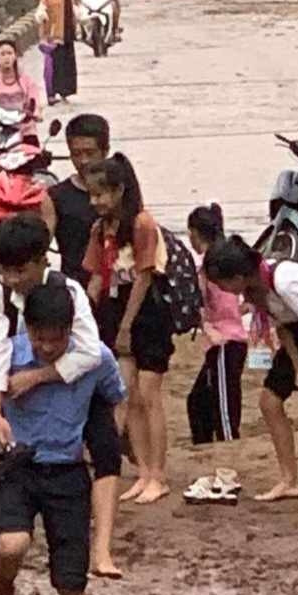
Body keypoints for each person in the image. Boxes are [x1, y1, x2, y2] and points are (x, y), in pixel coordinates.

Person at [0, 214, 124, 578]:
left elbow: (90, 353)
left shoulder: (70, 292)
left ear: (41, 261)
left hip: (71, 377)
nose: (13, 280)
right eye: (6, 271)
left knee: (106, 446)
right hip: (13, 373)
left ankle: (103, 551)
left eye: (20, 271)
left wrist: (38, 377)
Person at [0, 283, 126, 595]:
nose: (46, 348)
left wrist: (110, 446)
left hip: (68, 471)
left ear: (71, 329)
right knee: (11, 545)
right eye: (39, 338)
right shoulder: (6, 356)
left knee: (72, 583)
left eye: (55, 340)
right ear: (27, 328)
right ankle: (3, 588)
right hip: (18, 467)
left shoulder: (95, 357)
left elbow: (117, 398)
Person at [202, 236, 298, 519]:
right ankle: (289, 480)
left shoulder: (284, 281)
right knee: (269, 401)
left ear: (238, 276)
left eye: (222, 284)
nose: (222, 290)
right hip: (297, 331)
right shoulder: (257, 289)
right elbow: (281, 326)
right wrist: (296, 366)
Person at [84, 154, 174, 505]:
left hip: (146, 314)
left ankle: (160, 474)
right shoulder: (100, 230)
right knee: (129, 394)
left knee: (150, 395)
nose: (96, 202)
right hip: (114, 309)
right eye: (92, 196)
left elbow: (143, 277)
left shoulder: (141, 224)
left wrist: (125, 327)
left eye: (101, 195)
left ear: (119, 191)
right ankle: (144, 472)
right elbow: (95, 277)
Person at [185, 204, 247, 447]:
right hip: (228, 339)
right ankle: (204, 446)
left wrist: (207, 326)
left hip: (225, 342)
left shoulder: (209, 269)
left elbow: (196, 303)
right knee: (197, 400)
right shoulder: (225, 263)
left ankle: (228, 446)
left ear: (195, 234)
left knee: (224, 403)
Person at [40, 113, 110, 284]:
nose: (83, 161)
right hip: (76, 285)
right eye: (76, 154)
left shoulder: (120, 188)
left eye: (90, 153)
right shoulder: (56, 197)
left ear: (105, 151)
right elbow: (42, 243)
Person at [0, 37, 43, 136]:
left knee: (33, 151)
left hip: (25, 130)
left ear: (15, 56)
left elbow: (35, 100)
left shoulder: (26, 81)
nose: (6, 57)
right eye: (2, 54)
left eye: (10, 53)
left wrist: (37, 113)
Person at [37, 0, 78, 106]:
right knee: (53, 66)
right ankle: (51, 94)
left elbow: (72, 10)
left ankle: (65, 92)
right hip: (53, 35)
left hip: (67, 33)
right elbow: (41, 10)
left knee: (66, 65)